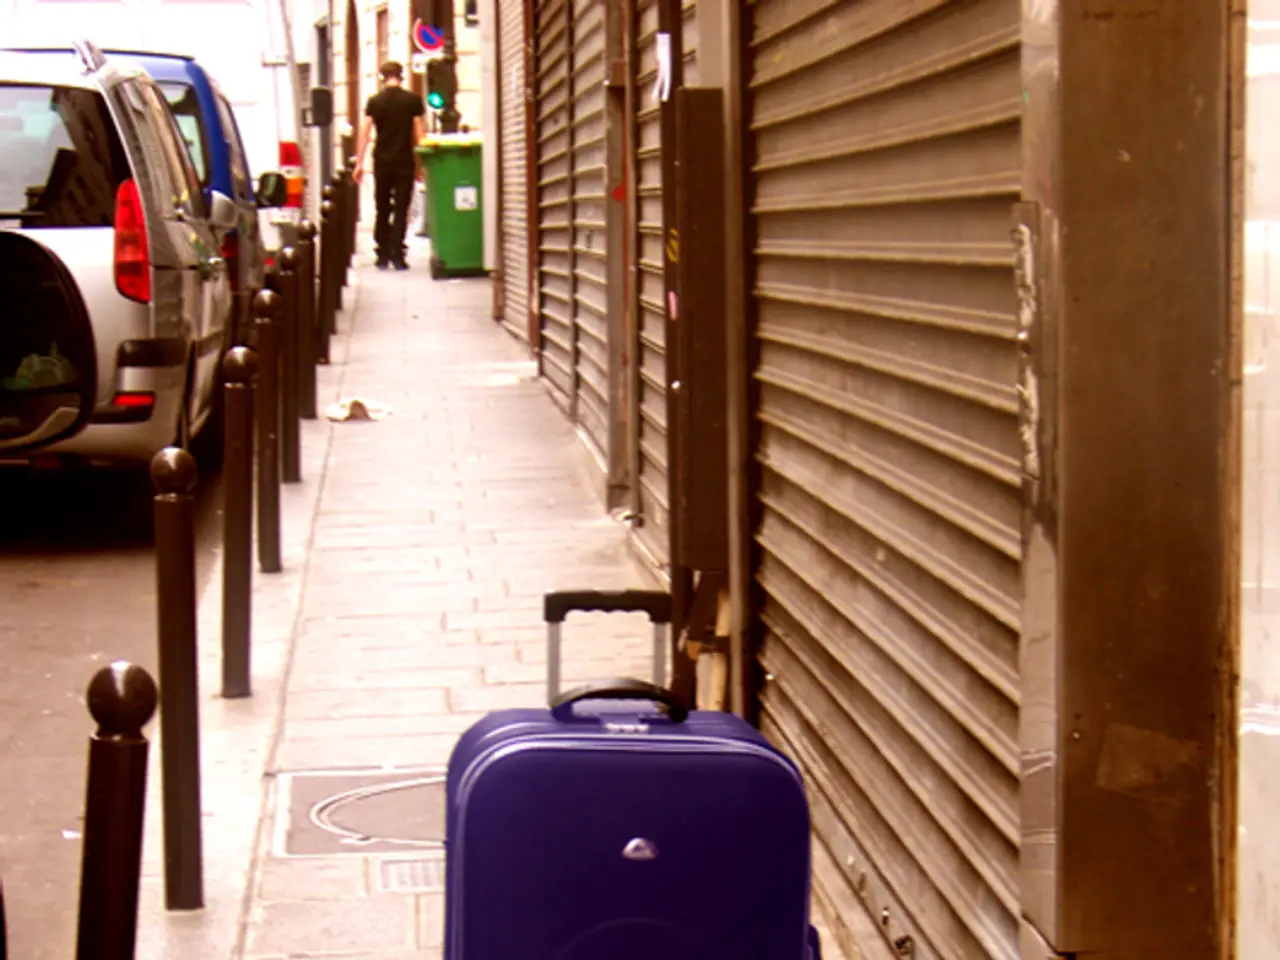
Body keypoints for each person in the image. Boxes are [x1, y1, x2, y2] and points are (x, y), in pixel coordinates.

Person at [352, 61, 425, 270]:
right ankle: (397, 252)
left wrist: (359, 162)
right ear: (401, 76)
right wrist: (422, 165)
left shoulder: (375, 102)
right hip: (404, 161)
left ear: (382, 77)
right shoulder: (412, 100)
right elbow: (419, 134)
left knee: (382, 207)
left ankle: (382, 252)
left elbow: (365, 133)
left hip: (382, 161)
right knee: (402, 208)